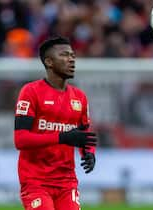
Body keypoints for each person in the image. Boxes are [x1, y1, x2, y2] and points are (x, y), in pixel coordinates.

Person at [14, 37, 97, 210]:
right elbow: (20, 139)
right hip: (36, 181)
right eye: (65, 55)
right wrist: (62, 137)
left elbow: (83, 135)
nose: (72, 59)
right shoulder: (30, 92)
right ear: (49, 62)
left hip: (67, 181)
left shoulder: (79, 97)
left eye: (73, 55)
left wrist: (88, 153)